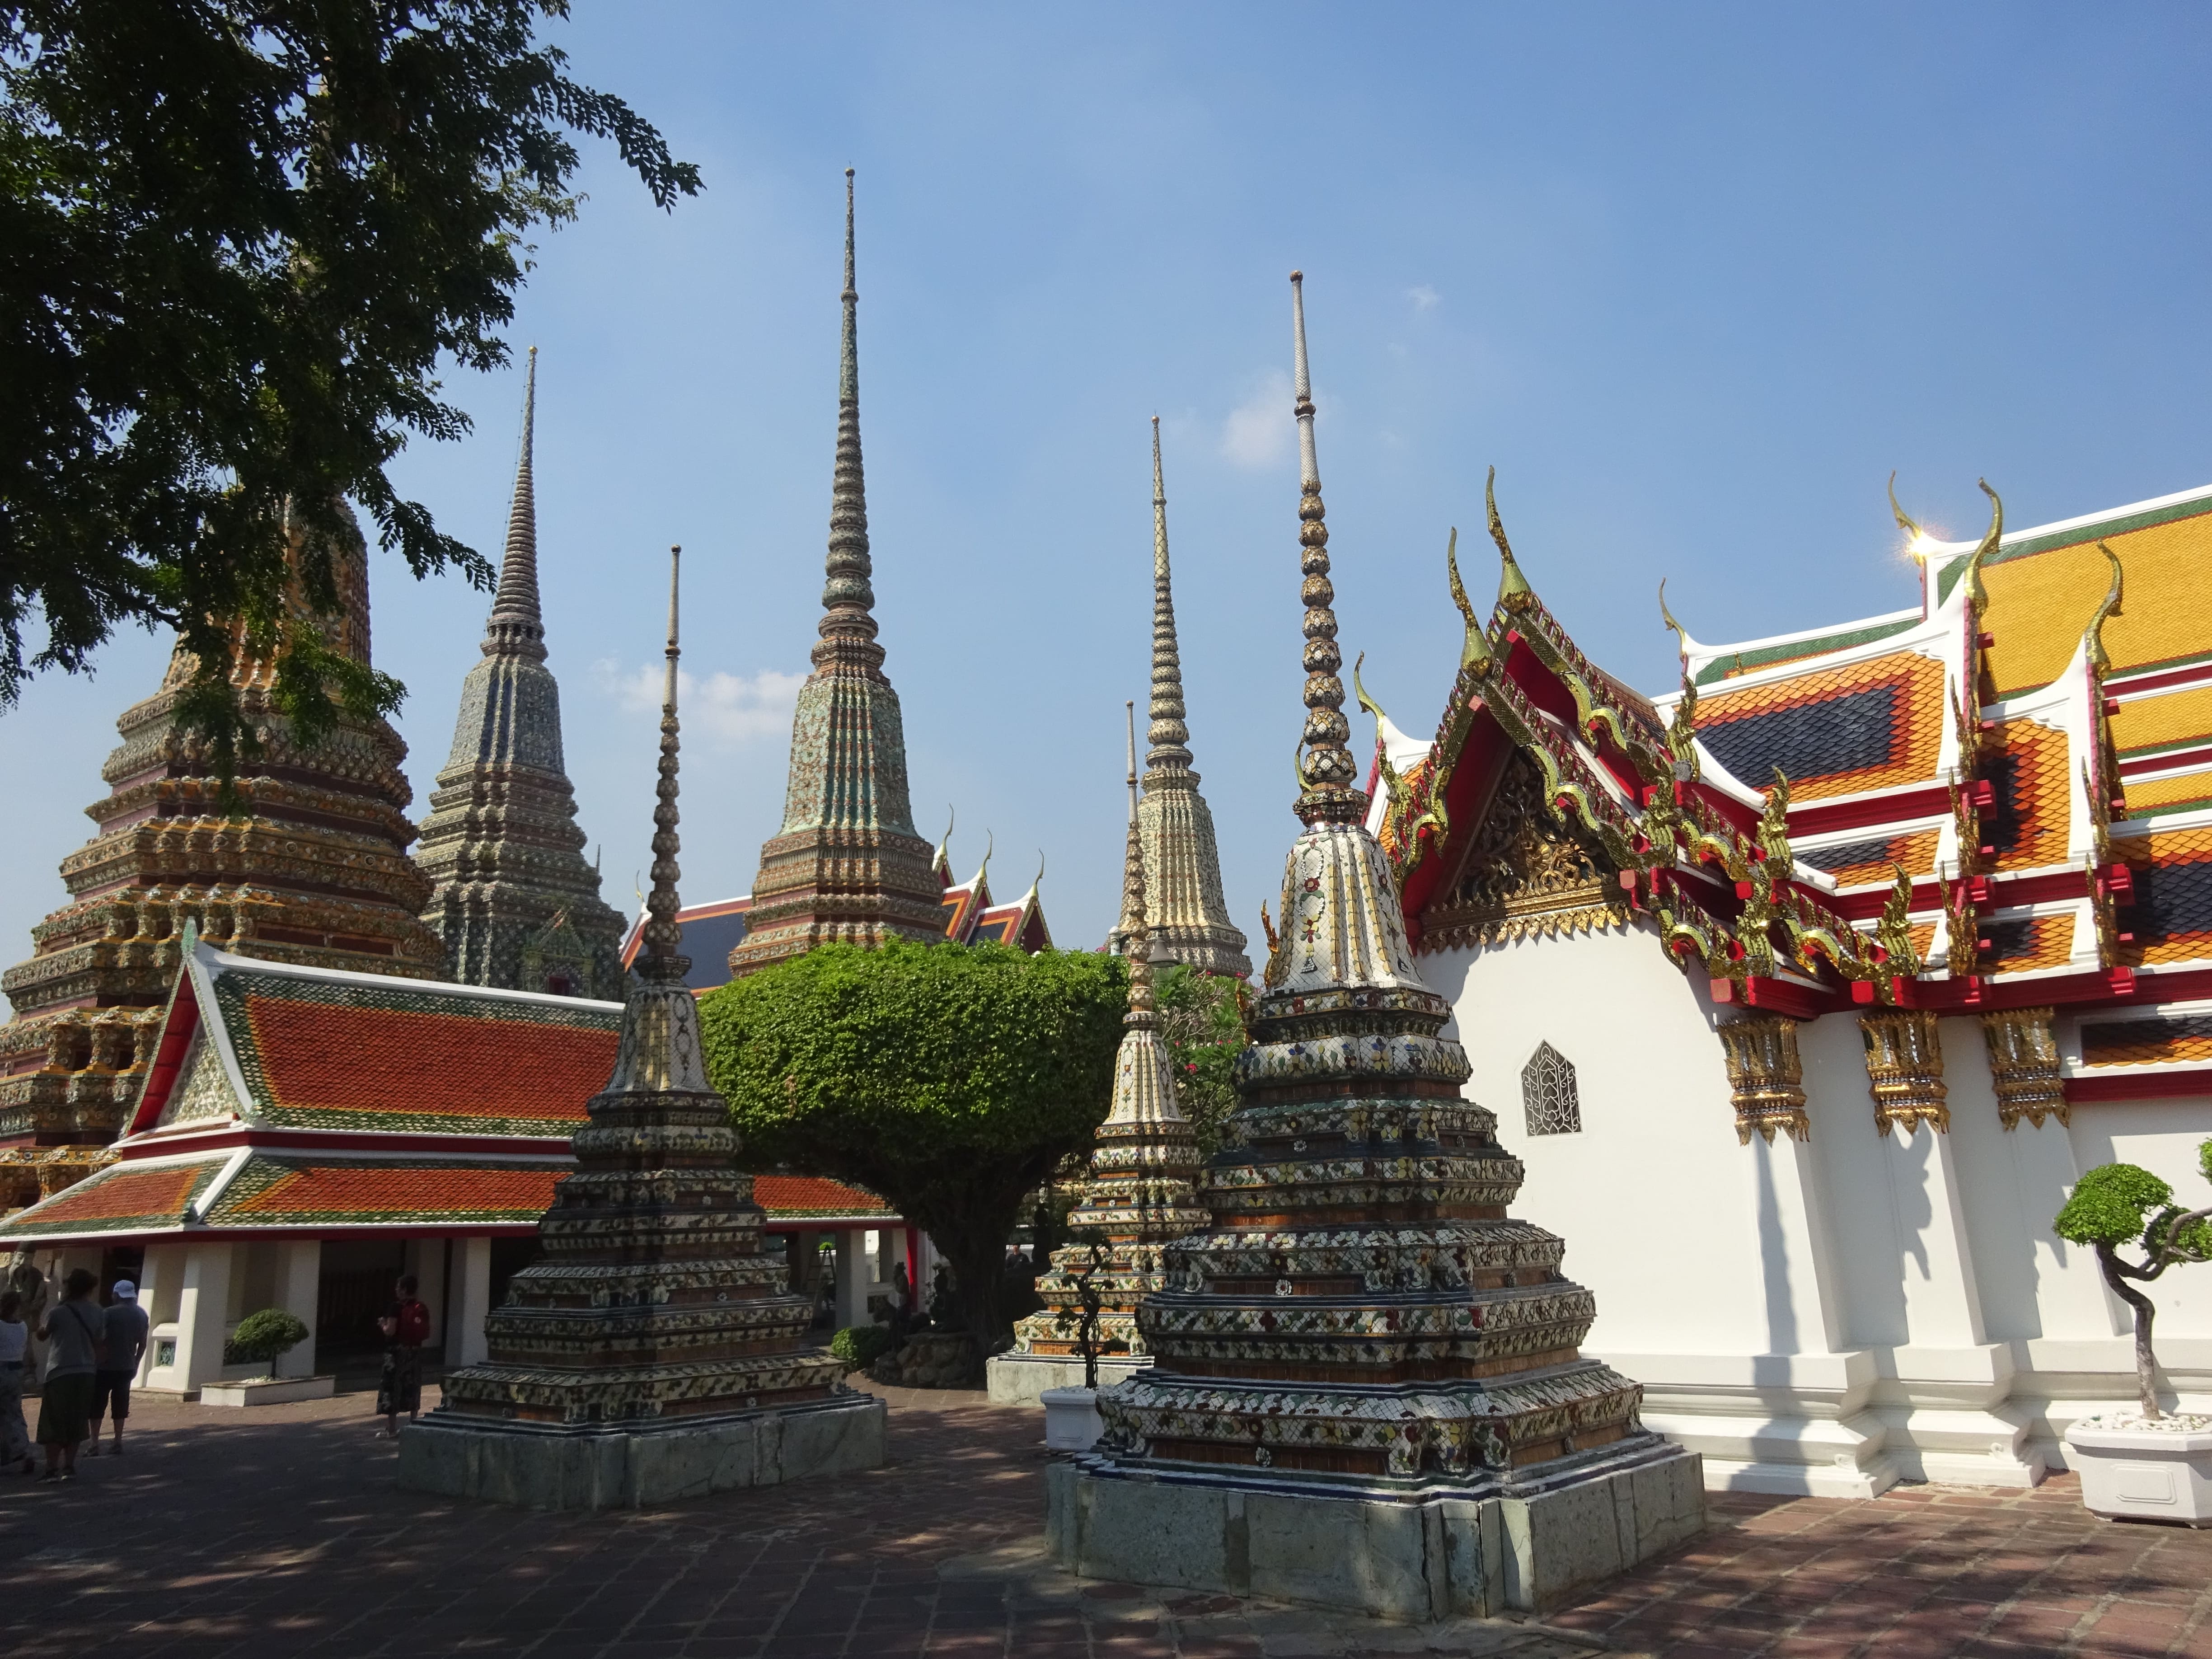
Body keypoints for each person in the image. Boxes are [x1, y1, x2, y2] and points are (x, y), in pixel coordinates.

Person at [35, 1268, 105, 1482]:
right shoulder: (98, 1312)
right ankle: (69, 1467)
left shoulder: (59, 1311)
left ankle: (51, 1469)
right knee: (77, 1420)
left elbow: (42, 1335)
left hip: (60, 1371)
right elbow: (100, 1341)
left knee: (54, 1421)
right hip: (86, 1372)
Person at [86, 1280, 149, 1457]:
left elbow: (99, 1337)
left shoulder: (108, 1314)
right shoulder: (141, 1314)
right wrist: (136, 1363)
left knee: (97, 1405)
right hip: (127, 1366)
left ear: (116, 1295)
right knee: (121, 1405)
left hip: (104, 1366)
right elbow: (143, 1343)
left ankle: (94, 1443)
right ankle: (118, 1441)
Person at [375, 1274, 430, 1438]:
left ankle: (392, 1429)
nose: (396, 1290)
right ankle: (414, 1424)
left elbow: (390, 1331)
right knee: (412, 1385)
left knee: (392, 1387)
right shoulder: (421, 1307)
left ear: (404, 1290)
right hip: (414, 1352)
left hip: (396, 1353)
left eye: (398, 1287)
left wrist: (383, 1325)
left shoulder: (395, 1308)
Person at [0, 1289, 33, 1475]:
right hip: (16, 1371)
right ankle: (22, 1450)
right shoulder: (23, 1327)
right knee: (14, 1413)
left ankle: (6, 1452)